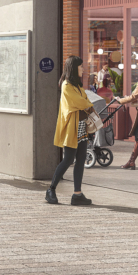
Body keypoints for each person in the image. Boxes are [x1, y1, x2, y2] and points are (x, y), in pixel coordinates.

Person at [45, 55, 94, 206]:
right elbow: (80, 102)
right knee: (68, 159)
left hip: (81, 127)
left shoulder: (77, 85)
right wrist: (86, 104)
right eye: (80, 67)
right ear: (74, 68)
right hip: (71, 128)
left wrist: (87, 104)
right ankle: (51, 189)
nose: (83, 69)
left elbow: (86, 101)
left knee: (80, 160)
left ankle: (77, 194)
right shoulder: (66, 85)